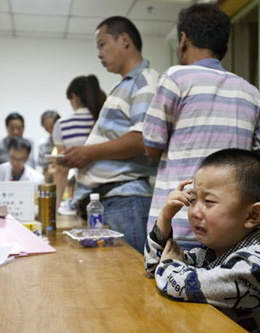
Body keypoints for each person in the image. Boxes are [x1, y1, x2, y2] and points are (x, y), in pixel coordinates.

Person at [142, 3, 260, 249]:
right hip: (232, 228)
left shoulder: (176, 79)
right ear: (224, 49)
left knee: (167, 284)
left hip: (182, 220)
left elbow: (151, 147)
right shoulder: (249, 91)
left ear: (182, 40)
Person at [144, 149, 260, 332]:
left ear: (252, 215)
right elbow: (154, 268)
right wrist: (164, 219)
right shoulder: (212, 252)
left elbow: (181, 285)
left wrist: (170, 264)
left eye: (209, 201)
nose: (195, 211)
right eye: (193, 199)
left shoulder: (256, 266)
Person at [57, 16, 159, 254]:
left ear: (124, 40)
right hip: (113, 200)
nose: (99, 53)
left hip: (125, 199)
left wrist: (87, 153)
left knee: (129, 281)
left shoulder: (145, 81)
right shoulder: (125, 85)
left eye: (102, 44)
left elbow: (142, 139)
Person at [52, 75, 106, 210]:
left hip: (84, 194)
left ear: (74, 97)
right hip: (109, 193)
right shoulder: (103, 120)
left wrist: (55, 207)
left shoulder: (63, 124)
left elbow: (61, 169)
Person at [37, 110, 60, 182]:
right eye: (47, 129)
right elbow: (44, 170)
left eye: (52, 127)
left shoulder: (68, 142)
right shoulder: (43, 144)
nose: (51, 131)